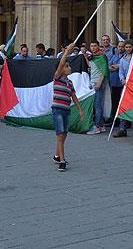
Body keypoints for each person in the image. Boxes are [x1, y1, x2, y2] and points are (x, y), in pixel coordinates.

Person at [52, 43, 84, 172]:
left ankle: (56, 155)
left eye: (69, 66)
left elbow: (74, 96)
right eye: (67, 66)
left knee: (64, 134)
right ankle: (62, 161)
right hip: (57, 110)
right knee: (60, 135)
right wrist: (67, 52)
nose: (69, 67)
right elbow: (60, 64)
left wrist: (80, 110)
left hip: (66, 110)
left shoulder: (69, 82)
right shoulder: (57, 78)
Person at [113, 41, 133, 139]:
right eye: (127, 47)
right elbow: (120, 72)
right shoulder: (122, 60)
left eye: (130, 47)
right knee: (123, 107)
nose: (128, 49)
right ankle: (122, 129)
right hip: (125, 86)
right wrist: (122, 79)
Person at [85, 41, 109, 135]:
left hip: (98, 83)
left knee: (97, 105)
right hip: (93, 82)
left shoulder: (101, 56)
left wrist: (99, 83)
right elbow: (91, 66)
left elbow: (104, 70)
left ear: (98, 46)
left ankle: (97, 126)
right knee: (98, 105)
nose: (93, 47)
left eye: (95, 46)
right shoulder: (93, 57)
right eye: (91, 46)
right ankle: (102, 126)